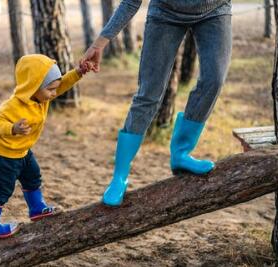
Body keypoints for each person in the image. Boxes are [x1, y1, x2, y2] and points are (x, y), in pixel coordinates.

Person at [81, 0, 232, 207]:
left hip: (215, 10)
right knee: (148, 94)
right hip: (165, 13)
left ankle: (181, 153)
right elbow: (131, 2)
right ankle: (120, 177)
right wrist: (99, 44)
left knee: (214, 80)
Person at [0, 54, 91, 238]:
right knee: (1, 191)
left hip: (23, 151)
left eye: (54, 89)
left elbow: (61, 84)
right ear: (33, 86)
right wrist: (12, 128)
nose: (54, 93)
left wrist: (78, 72)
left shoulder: (42, 97)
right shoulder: (13, 105)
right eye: (50, 89)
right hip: (3, 154)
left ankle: (37, 209)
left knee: (33, 177)